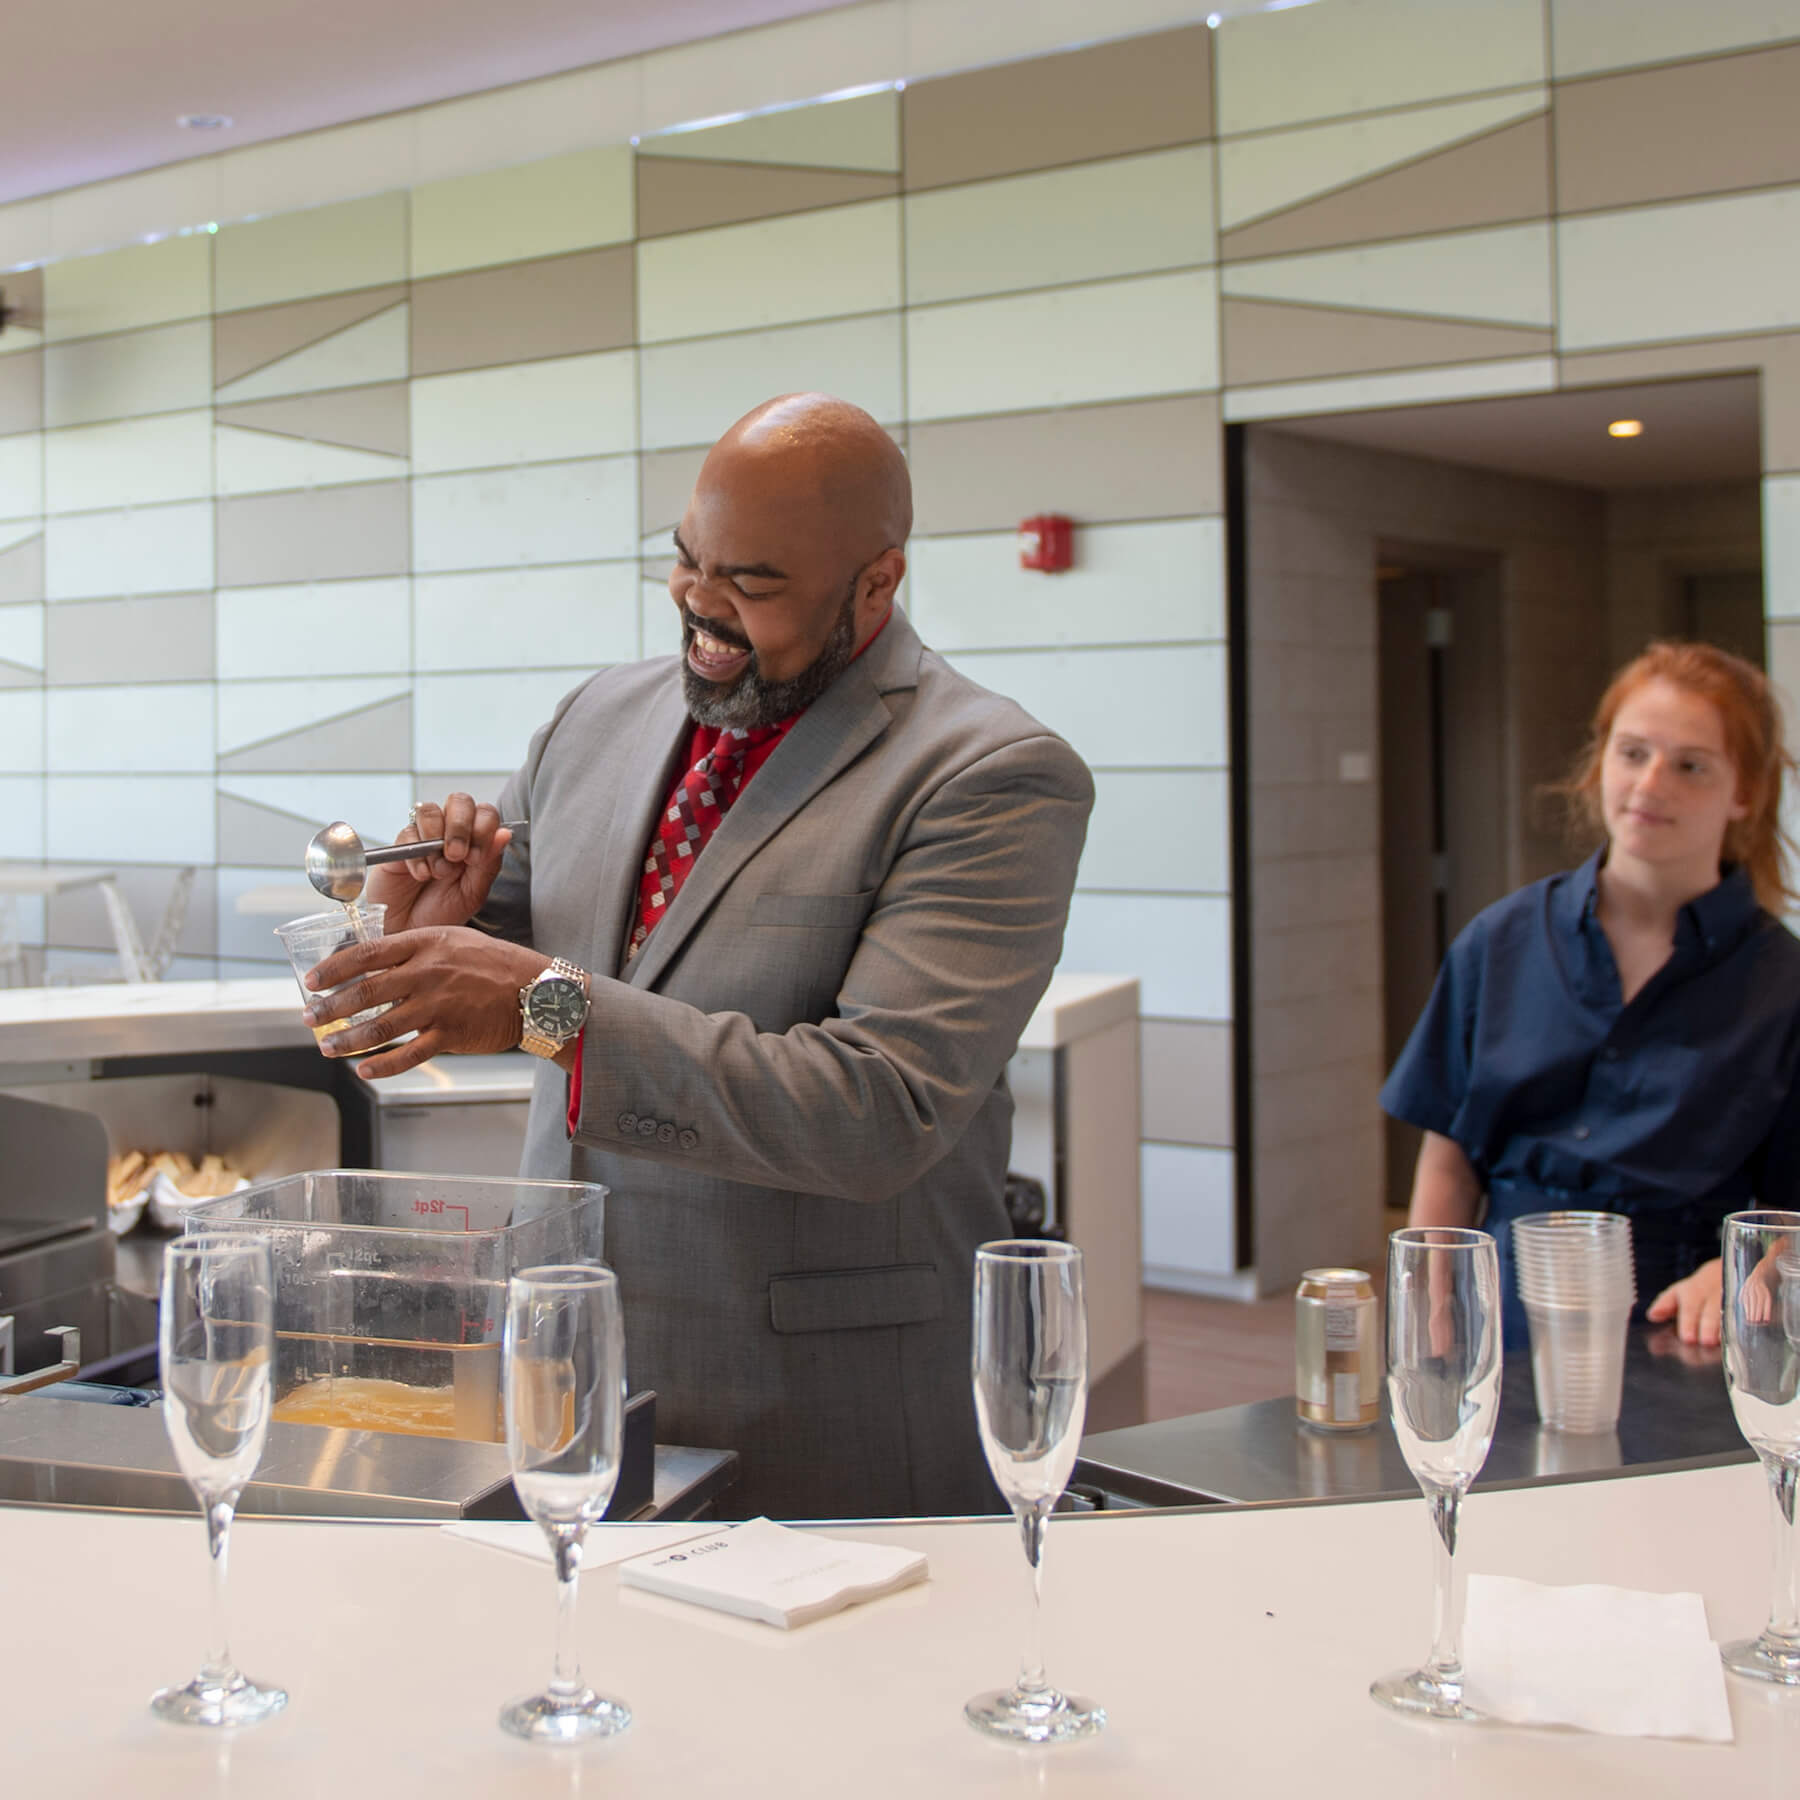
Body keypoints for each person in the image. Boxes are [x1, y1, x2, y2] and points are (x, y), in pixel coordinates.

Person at [299, 393, 1095, 1519]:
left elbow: (880, 1109)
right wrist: (401, 930)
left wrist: (542, 1007)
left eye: (754, 584)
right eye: (685, 563)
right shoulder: (596, 719)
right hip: (569, 1383)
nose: (701, 606)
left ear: (878, 582)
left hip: (822, 1414)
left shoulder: (990, 773)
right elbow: (486, 968)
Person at [1382, 640, 1800, 1352]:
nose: (1651, 783)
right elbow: (1448, 1162)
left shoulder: (1783, 982)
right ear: (1600, 761)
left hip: (1685, 1329)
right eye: (1632, 753)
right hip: (1504, 1314)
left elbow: (1792, 1223)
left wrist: (1742, 1276)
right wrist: (1427, 1326)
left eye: (1690, 765)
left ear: (1746, 794)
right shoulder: (1501, 941)